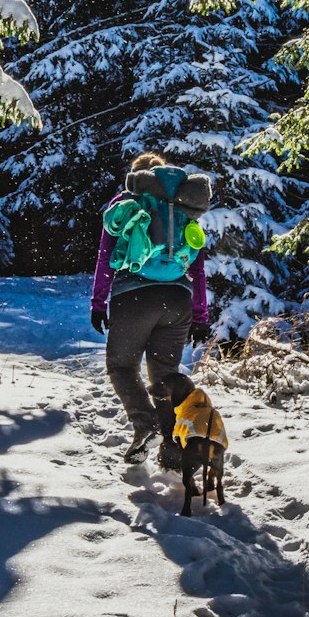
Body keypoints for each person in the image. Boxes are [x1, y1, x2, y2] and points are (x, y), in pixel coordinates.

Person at [90, 151, 210, 467]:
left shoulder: (125, 205)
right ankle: (174, 451)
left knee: (122, 367)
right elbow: (197, 267)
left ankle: (146, 425)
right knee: (166, 376)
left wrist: (98, 302)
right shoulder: (182, 209)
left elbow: (105, 257)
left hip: (134, 298)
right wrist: (200, 314)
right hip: (178, 301)